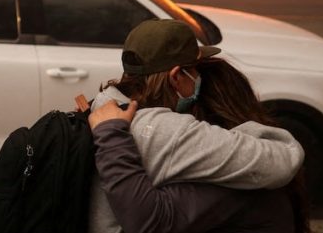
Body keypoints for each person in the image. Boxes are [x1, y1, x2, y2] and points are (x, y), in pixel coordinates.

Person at [86, 19, 307, 233]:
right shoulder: (166, 130)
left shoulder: (102, 105)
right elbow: (285, 158)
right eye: (195, 70)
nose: (198, 76)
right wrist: (228, 135)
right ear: (176, 76)